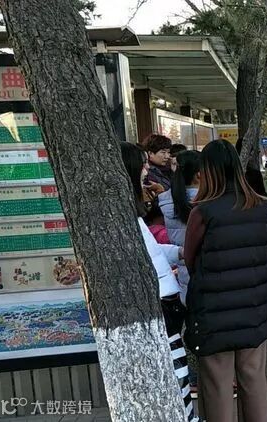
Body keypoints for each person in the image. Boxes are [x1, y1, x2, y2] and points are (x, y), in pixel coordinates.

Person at [183, 140, 267, 422]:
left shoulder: (203, 211)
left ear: (207, 171)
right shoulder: (262, 206)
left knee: (218, 385)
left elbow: (190, 259)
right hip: (254, 308)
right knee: (253, 379)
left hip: (214, 312)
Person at [119, 142, 197, 422]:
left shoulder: (130, 210)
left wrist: (179, 253)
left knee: (178, 369)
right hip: (160, 303)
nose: (146, 170)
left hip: (167, 300)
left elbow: (150, 249)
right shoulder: (121, 215)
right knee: (174, 371)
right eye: (142, 164)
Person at [158, 150, 201, 303]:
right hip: (208, 275)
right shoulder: (208, 201)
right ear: (199, 174)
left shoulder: (167, 200)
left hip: (184, 275)